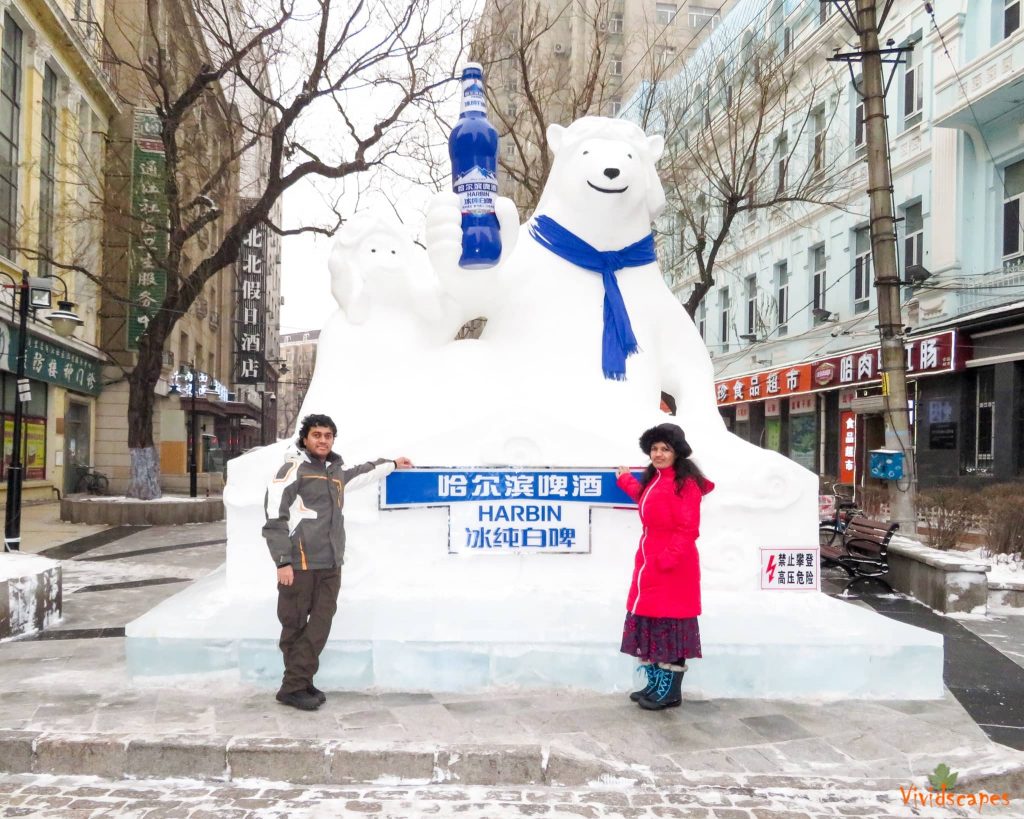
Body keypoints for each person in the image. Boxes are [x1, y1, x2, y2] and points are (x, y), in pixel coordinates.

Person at [262, 413, 413, 710]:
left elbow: (360, 473)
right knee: (293, 626)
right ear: (305, 438)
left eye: (328, 436)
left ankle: (298, 681)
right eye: (317, 435)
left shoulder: (334, 471)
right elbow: (273, 519)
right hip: (299, 564)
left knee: (319, 625)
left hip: (330, 563)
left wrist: (392, 464)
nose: (322, 440)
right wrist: (282, 562)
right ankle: (294, 686)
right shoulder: (292, 470)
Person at [615, 422, 714, 710]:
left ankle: (670, 691)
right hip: (651, 564)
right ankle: (656, 683)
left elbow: (688, 528)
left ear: (677, 452)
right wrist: (626, 481)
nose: (658, 454)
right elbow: (647, 500)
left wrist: (667, 559)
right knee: (654, 624)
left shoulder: (686, 484)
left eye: (665, 449)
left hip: (673, 568)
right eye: (654, 449)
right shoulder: (656, 479)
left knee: (671, 626)